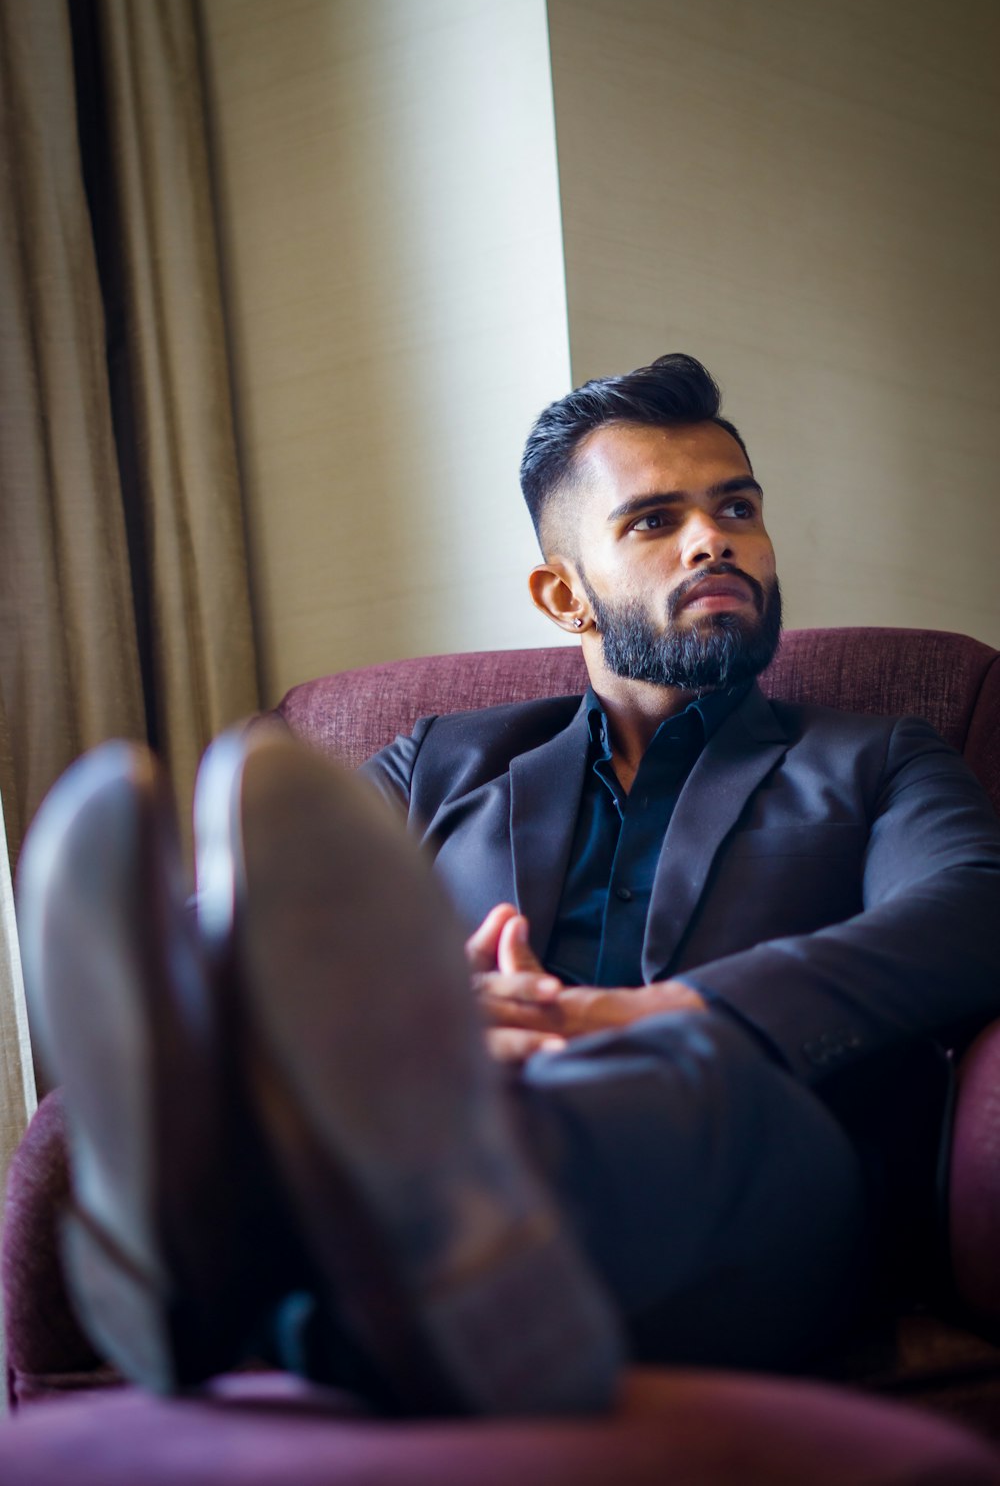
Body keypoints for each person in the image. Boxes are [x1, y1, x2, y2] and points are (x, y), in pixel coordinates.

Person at [17, 356, 1000, 1419]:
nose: (714, 539)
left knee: (682, 1065)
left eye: (736, 508)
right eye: (653, 520)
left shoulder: (879, 757)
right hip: (463, 1157)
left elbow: (971, 908)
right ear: (561, 594)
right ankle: (357, 1261)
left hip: (768, 1185)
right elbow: (273, 931)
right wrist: (421, 1016)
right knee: (260, 988)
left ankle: (238, 1269)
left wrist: (667, 1008)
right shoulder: (437, 762)